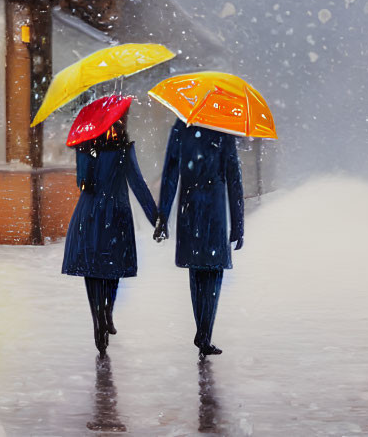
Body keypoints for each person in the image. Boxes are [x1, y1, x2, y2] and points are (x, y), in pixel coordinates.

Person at [62, 109, 157, 354]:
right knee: (106, 269)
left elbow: (85, 182)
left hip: (96, 214)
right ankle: (103, 314)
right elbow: (135, 184)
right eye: (122, 117)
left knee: (98, 270)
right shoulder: (121, 149)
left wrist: (87, 154)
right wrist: (155, 217)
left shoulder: (92, 146)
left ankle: (102, 317)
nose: (124, 121)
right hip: (111, 214)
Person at [154, 119, 245, 357]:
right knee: (213, 272)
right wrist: (238, 224)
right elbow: (234, 177)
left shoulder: (181, 126)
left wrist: (163, 214)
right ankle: (204, 333)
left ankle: (202, 332)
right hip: (214, 208)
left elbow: (170, 173)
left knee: (196, 271)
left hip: (189, 207)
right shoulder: (223, 129)